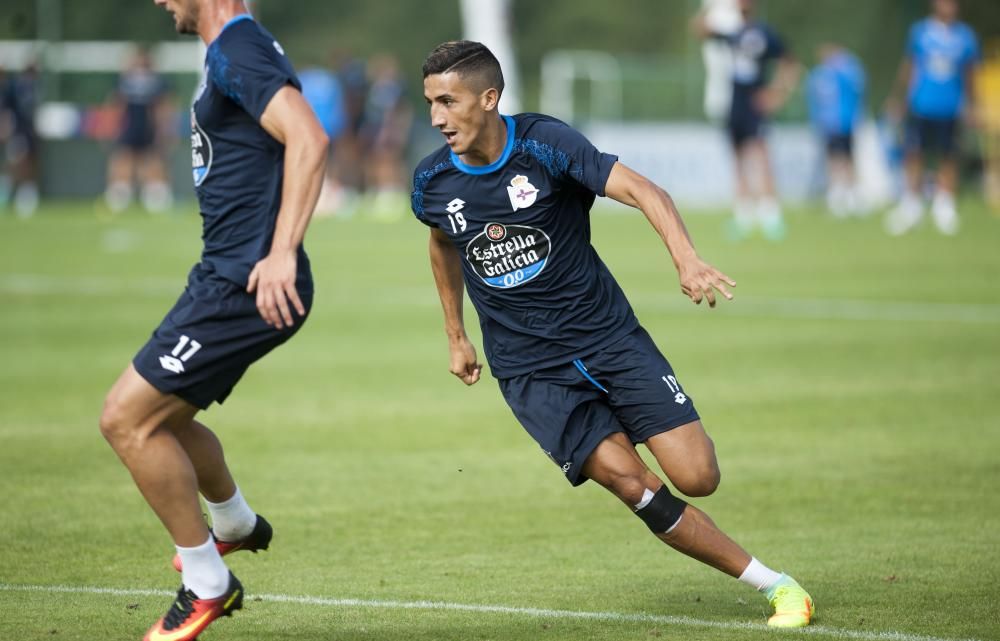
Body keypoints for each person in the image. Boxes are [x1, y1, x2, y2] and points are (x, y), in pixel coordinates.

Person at [411, 40, 815, 629]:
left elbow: (648, 192)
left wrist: (687, 259)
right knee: (634, 485)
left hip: (609, 340)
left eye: (448, 101)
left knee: (699, 476)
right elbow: (443, 243)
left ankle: (619, 418)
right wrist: (455, 334)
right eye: (430, 103)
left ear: (489, 98)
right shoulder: (432, 181)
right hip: (532, 373)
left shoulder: (547, 144)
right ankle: (777, 587)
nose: (437, 118)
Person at [100, 2, 328, 640]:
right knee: (164, 421)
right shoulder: (230, 48)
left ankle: (208, 584)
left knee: (126, 421)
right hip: (223, 275)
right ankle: (231, 524)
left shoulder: (237, 46)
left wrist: (281, 251)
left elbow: (310, 138)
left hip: (245, 282)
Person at [694, 0, 800, 241]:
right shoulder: (731, 33)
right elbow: (700, 30)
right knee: (738, 156)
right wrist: (711, 7)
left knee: (761, 154)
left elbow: (790, 63)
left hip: (755, 100)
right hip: (735, 101)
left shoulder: (765, 33)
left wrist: (777, 93)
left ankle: (770, 214)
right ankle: (743, 214)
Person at [885, 0, 980, 236]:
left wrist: (973, 105)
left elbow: (970, 75)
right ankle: (911, 204)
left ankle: (944, 204)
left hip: (950, 107)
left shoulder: (966, 37)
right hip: (921, 105)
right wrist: (900, 99)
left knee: (948, 155)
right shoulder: (920, 32)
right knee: (914, 152)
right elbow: (910, 67)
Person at [104, 47, 175, 214]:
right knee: (125, 160)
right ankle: (120, 195)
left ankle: (154, 196)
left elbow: (162, 107)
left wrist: (164, 129)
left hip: (147, 127)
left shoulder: (156, 81)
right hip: (130, 126)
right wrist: (112, 128)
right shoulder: (124, 80)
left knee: (152, 161)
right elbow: (117, 105)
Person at [806, 44, 866, 217]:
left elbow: (858, 88)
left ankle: (852, 193)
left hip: (845, 123)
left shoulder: (846, 71)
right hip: (828, 125)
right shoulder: (819, 75)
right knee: (833, 159)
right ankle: (837, 193)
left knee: (848, 158)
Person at [2, 62, 41, 217]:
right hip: (17, 132)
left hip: (29, 132)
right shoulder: (15, 87)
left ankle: (26, 195)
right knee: (17, 163)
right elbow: (7, 109)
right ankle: (7, 193)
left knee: (30, 163)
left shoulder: (35, 87)